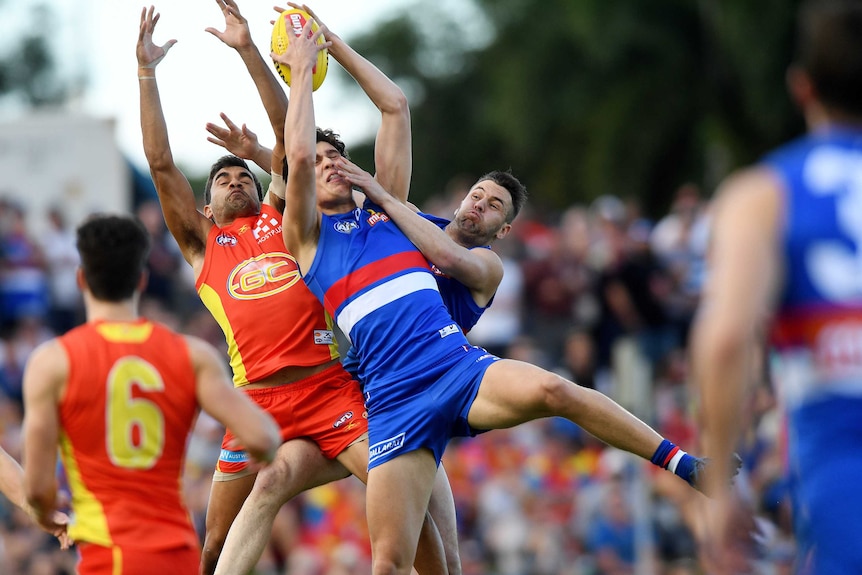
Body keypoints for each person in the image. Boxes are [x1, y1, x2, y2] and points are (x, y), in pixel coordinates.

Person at [276, 18, 732, 574]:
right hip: (391, 396)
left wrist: (326, 54)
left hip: (453, 366)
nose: (327, 166)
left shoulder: (408, 221)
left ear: (506, 229)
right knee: (396, 562)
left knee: (554, 388)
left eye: (494, 206)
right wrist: (305, 63)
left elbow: (395, 108)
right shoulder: (312, 237)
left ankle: (685, 465)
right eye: (477, 197)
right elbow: (297, 157)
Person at [137, 4, 450, 573]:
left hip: (329, 388)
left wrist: (250, 50)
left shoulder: (288, 224)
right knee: (212, 543)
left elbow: (287, 138)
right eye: (222, 181)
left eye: (244, 177)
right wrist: (146, 73)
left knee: (407, 501)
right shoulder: (203, 246)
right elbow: (160, 163)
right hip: (254, 402)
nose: (236, 182)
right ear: (205, 207)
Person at [692, 1, 862, 573]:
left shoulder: (764, 195)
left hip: (844, 465)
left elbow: (725, 339)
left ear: (801, 87)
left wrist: (719, 484)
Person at [21, 213, 280, 575]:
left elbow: (36, 489)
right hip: (179, 554)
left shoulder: (52, 362)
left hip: (110, 555)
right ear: (141, 282)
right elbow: (264, 437)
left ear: (82, 280)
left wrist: (47, 509)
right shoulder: (191, 355)